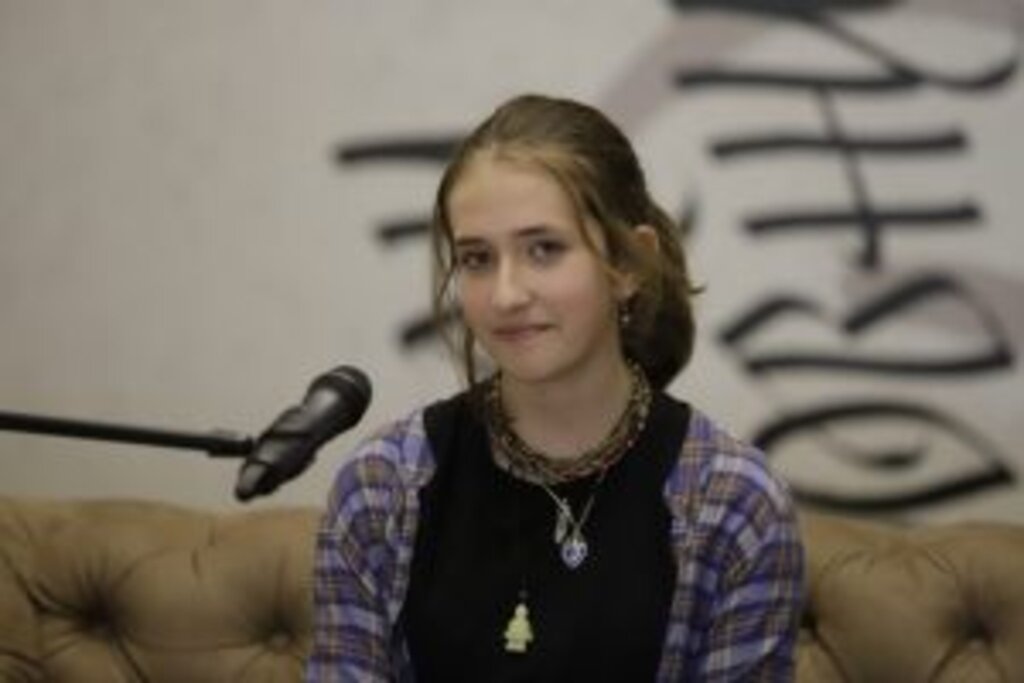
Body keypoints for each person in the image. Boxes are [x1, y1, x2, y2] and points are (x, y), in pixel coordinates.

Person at [305, 94, 804, 682]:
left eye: (544, 249)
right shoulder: (382, 486)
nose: (506, 295)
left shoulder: (735, 502)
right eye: (476, 259)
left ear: (630, 264)